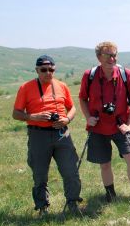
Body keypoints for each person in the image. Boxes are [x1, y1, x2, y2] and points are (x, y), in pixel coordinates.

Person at [12, 55, 83, 216]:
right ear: (37, 70)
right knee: (40, 174)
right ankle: (42, 207)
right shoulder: (26, 87)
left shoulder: (62, 86)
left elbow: (72, 108)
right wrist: (32, 117)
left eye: (51, 70)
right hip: (38, 135)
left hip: (61, 134)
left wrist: (67, 119)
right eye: (43, 70)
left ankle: (73, 203)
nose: (48, 73)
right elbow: (15, 113)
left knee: (71, 170)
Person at [78, 41, 130, 204]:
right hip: (98, 126)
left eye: (114, 55)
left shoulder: (125, 74)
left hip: (120, 125)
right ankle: (110, 195)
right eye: (108, 55)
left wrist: (129, 124)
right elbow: (82, 98)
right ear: (99, 57)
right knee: (105, 163)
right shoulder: (90, 75)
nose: (112, 59)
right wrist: (88, 117)